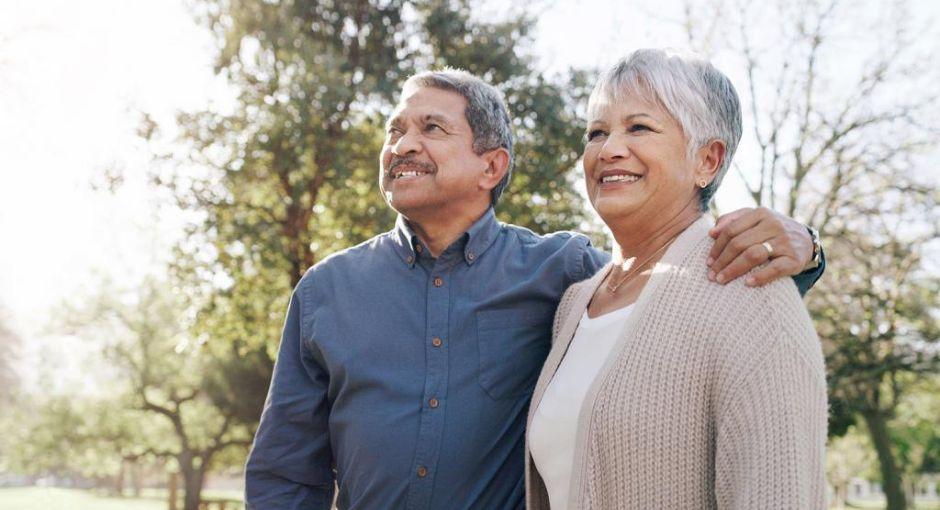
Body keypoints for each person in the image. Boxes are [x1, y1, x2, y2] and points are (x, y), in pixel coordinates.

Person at [245, 67, 825, 509]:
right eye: (395, 130)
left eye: (431, 129)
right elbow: (286, 472)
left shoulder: (566, 275)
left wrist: (804, 249)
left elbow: (680, 295)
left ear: (491, 167)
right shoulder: (326, 291)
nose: (402, 145)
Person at [525, 49, 827, 510]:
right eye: (597, 133)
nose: (609, 150)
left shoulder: (751, 293)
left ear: (707, 160)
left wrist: (811, 247)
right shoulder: (575, 303)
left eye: (639, 127)